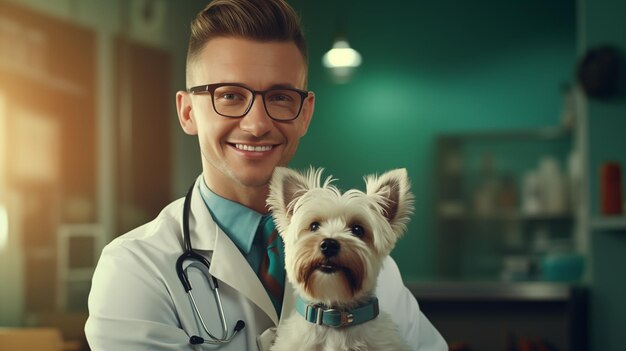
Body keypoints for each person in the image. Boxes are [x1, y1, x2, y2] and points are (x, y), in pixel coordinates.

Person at [85, 0, 447, 350]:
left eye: (280, 97)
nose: (257, 125)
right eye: (228, 95)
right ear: (187, 112)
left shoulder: (375, 267)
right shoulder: (134, 270)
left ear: (305, 113)